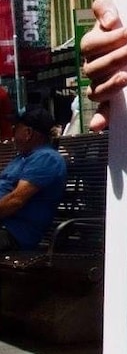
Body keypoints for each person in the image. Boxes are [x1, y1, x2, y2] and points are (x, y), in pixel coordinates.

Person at [0, 107, 67, 253]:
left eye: (15, 129)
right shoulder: (23, 158)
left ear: (28, 132)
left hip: (13, 234)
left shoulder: (47, 158)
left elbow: (16, 200)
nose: (12, 136)